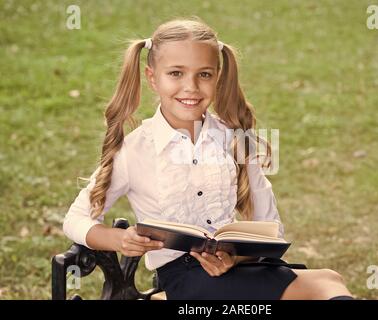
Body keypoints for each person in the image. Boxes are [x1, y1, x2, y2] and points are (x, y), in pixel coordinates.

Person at [63, 17, 353, 300]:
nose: (191, 87)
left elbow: (272, 227)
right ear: (153, 78)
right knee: (324, 284)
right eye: (176, 73)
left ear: (218, 77)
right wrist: (120, 240)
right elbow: (76, 218)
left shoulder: (234, 139)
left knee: (328, 280)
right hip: (185, 279)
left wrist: (234, 257)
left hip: (240, 269)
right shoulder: (135, 150)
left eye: (204, 74)